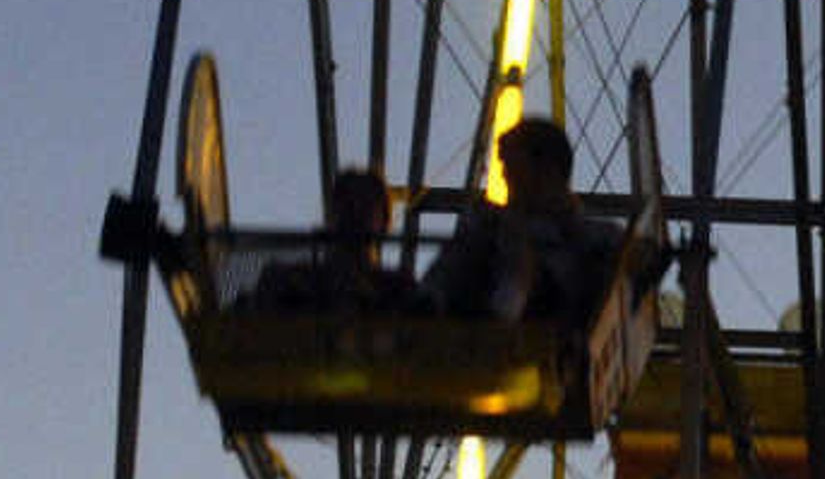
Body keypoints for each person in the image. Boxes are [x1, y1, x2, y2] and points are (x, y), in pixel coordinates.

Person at [428, 117, 622, 325]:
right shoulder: (486, 228)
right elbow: (439, 289)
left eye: (512, 166)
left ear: (548, 169)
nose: (504, 175)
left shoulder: (602, 240)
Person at [248, 166, 426, 314]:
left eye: (365, 204)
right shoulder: (286, 279)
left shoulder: (399, 288)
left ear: (384, 222)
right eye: (348, 203)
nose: (355, 212)